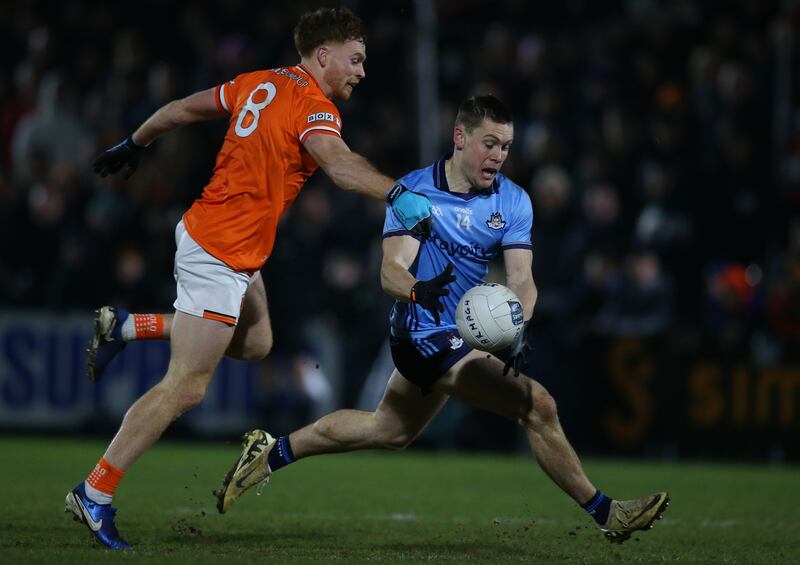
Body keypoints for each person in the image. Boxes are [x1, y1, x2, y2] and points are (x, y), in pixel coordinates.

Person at [214, 95, 670, 544]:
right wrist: (418, 290)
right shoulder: (416, 194)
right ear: (460, 137)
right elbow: (390, 272)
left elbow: (522, 279)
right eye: (489, 143)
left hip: (459, 334)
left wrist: (519, 323)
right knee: (538, 405)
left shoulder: (512, 201)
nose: (499, 156)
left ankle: (270, 454)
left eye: (507, 146)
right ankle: (608, 512)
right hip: (419, 333)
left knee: (388, 430)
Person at [65, 7, 432, 550]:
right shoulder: (314, 105)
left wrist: (135, 142)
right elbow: (337, 164)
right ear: (322, 55)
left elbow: (182, 109)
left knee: (258, 342)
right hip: (220, 252)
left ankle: (128, 327)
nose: (361, 71)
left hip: (222, 241)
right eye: (354, 60)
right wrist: (399, 193)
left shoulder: (256, 82)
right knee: (185, 388)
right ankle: (94, 493)